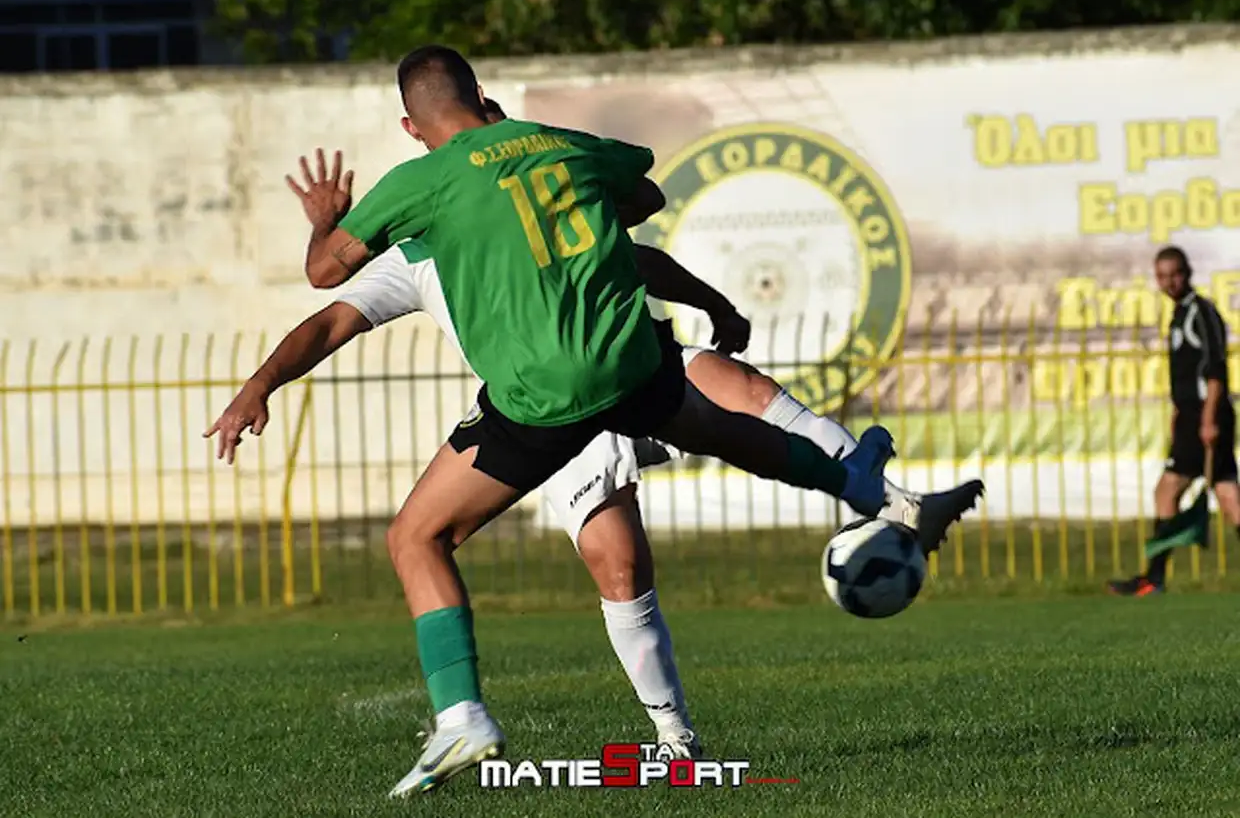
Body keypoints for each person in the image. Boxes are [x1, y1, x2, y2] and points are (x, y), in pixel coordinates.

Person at [265, 44, 974, 795]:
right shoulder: (463, 209)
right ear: (478, 102)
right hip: (617, 365)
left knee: (426, 531)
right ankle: (851, 500)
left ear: (416, 128)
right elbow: (334, 318)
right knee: (634, 540)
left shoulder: (452, 178)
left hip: (546, 393)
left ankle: (463, 715)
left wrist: (323, 230)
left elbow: (325, 272)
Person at [1109, 246, 1240, 596]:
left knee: (1167, 490)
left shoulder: (1202, 312)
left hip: (1205, 415)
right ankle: (1154, 578)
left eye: (1175, 274)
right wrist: (1178, 414)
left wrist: (1208, 419)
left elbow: (1216, 370)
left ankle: (1154, 578)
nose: (1169, 282)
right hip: (1191, 416)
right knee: (1228, 496)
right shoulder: (1179, 315)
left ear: (1188, 273)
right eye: (1162, 277)